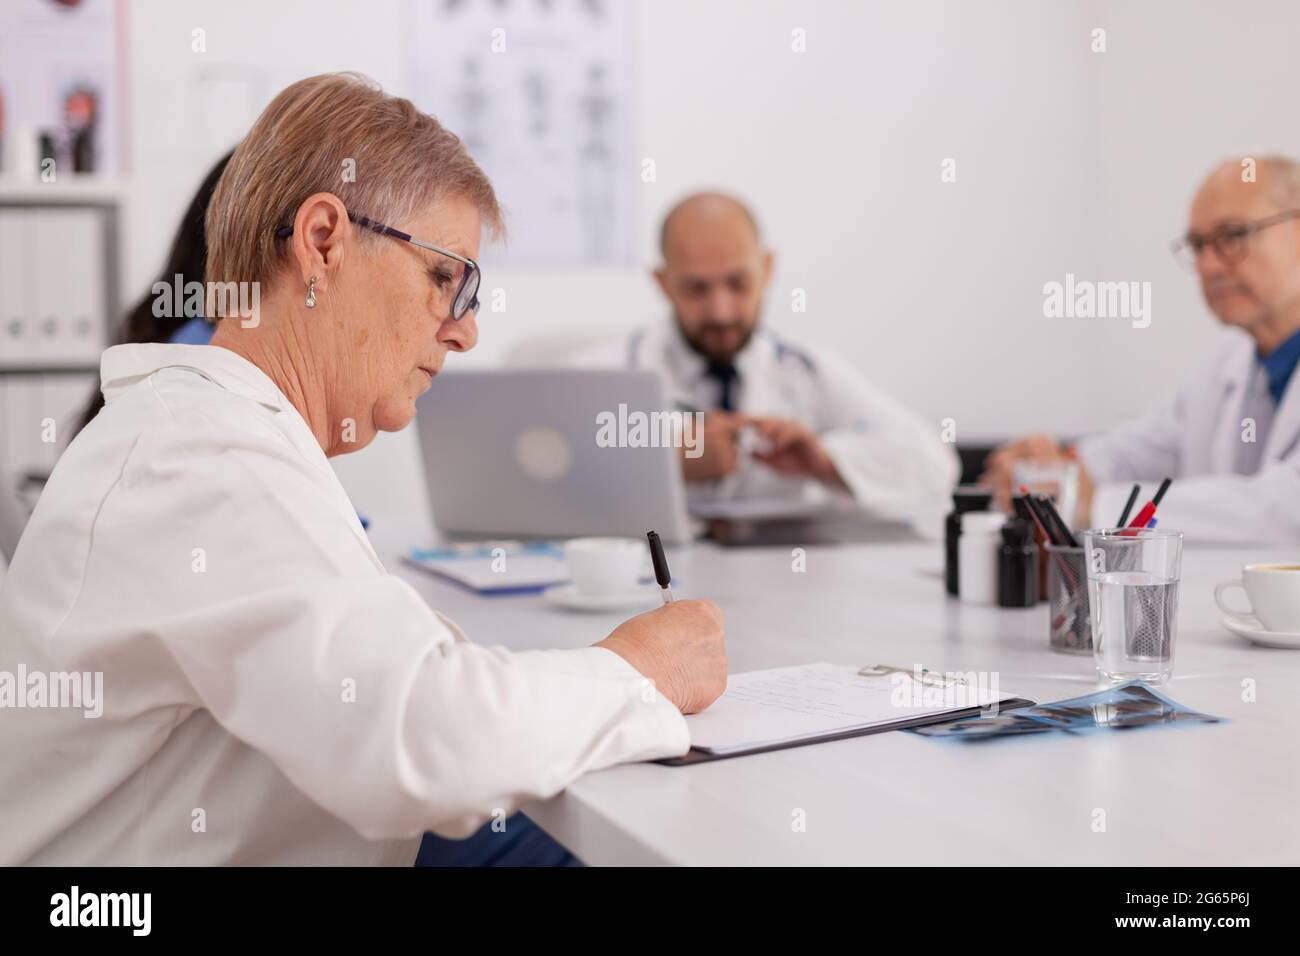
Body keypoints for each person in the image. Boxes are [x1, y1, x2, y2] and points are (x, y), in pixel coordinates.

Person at [0, 73, 727, 866]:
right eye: (446, 277)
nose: (465, 332)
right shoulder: (197, 460)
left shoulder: (223, 434)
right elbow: (427, 744)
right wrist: (638, 670)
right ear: (322, 242)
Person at [578, 192, 958, 535]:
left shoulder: (808, 370)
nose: (721, 311)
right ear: (662, 283)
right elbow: (554, 468)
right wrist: (664, 460)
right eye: (697, 288)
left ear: (768, 268)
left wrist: (824, 461)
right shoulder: (602, 373)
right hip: (658, 583)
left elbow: (935, 466)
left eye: (738, 283)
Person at [982, 157, 1300, 543]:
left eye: (1232, 236)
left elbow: (1284, 509)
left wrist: (1094, 503)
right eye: (1198, 245)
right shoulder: (1225, 369)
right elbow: (1135, 453)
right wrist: (1050, 469)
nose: (1210, 265)